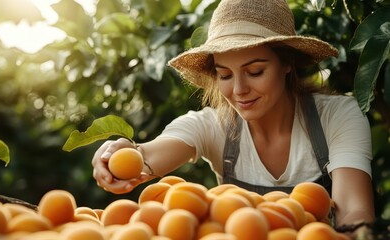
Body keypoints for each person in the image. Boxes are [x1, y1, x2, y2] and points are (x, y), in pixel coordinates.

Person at [91, 0, 375, 236]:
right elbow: (145, 157)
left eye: (255, 72)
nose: (238, 90)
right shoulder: (212, 126)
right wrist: (118, 156)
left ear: (287, 63)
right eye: (224, 75)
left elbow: (355, 214)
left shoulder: (336, 117)